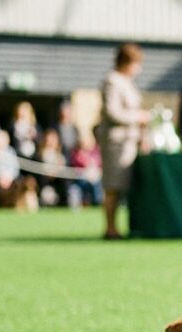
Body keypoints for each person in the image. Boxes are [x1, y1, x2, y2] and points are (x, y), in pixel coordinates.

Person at [98, 42, 149, 239]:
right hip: (116, 143)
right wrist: (138, 117)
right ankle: (110, 228)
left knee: (124, 188)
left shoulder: (127, 82)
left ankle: (122, 226)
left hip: (130, 142)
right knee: (113, 187)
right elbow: (113, 112)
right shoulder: (112, 81)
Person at [69, 131, 104, 207]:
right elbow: (82, 163)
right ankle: (96, 201)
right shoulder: (77, 154)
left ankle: (98, 201)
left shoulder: (95, 152)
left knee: (96, 183)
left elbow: (98, 163)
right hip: (81, 179)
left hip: (94, 178)